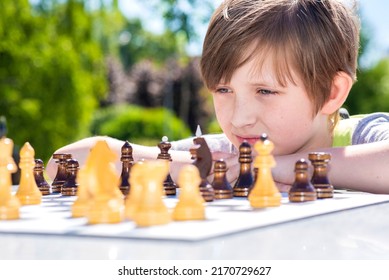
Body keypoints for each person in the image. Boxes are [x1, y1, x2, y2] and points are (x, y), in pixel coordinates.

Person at [47, 0, 389, 194]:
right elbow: (63, 162)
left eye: (265, 91)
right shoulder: (220, 153)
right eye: (223, 90)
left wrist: (265, 169)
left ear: (331, 93)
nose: (239, 118)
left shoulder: (362, 136)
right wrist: (217, 170)